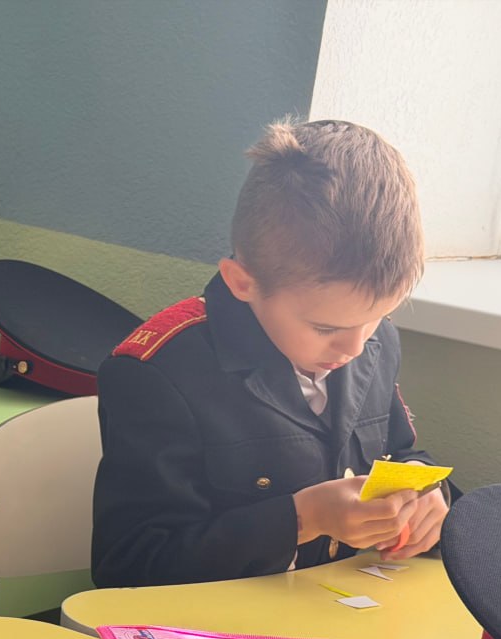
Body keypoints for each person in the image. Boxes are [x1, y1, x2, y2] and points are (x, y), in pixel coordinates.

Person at [93, 118, 449, 588]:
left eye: (377, 318)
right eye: (326, 328)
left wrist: (425, 490)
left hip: (339, 612)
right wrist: (302, 518)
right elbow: (129, 565)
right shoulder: (158, 374)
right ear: (243, 283)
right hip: (211, 626)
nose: (355, 347)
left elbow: (400, 453)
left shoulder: (372, 342)